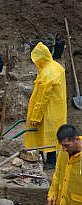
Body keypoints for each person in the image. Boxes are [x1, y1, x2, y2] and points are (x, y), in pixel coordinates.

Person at [24, 42, 67, 170]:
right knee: (53, 134)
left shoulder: (47, 74)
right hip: (57, 108)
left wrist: (36, 116)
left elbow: (42, 99)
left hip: (47, 110)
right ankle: (47, 158)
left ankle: (50, 161)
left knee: (45, 135)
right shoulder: (56, 67)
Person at [47, 124, 82, 205]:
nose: (63, 149)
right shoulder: (64, 151)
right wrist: (52, 193)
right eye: (62, 145)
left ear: (76, 139)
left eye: (66, 145)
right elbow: (58, 174)